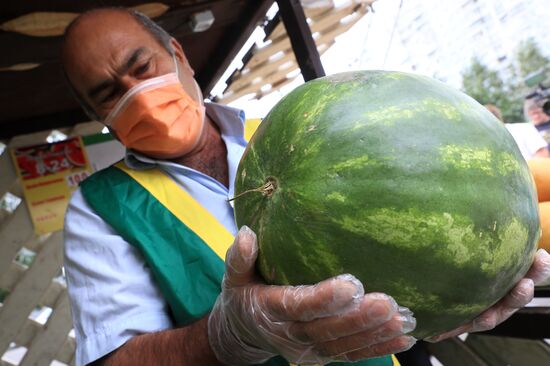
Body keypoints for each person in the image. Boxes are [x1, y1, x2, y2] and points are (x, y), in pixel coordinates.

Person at [61, 8, 550, 366]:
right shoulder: (98, 208)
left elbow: (435, 202)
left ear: (179, 55)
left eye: (142, 68)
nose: (137, 95)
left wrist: (456, 291)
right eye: (110, 93)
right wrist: (230, 335)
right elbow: (115, 360)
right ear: (96, 116)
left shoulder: (297, 120)